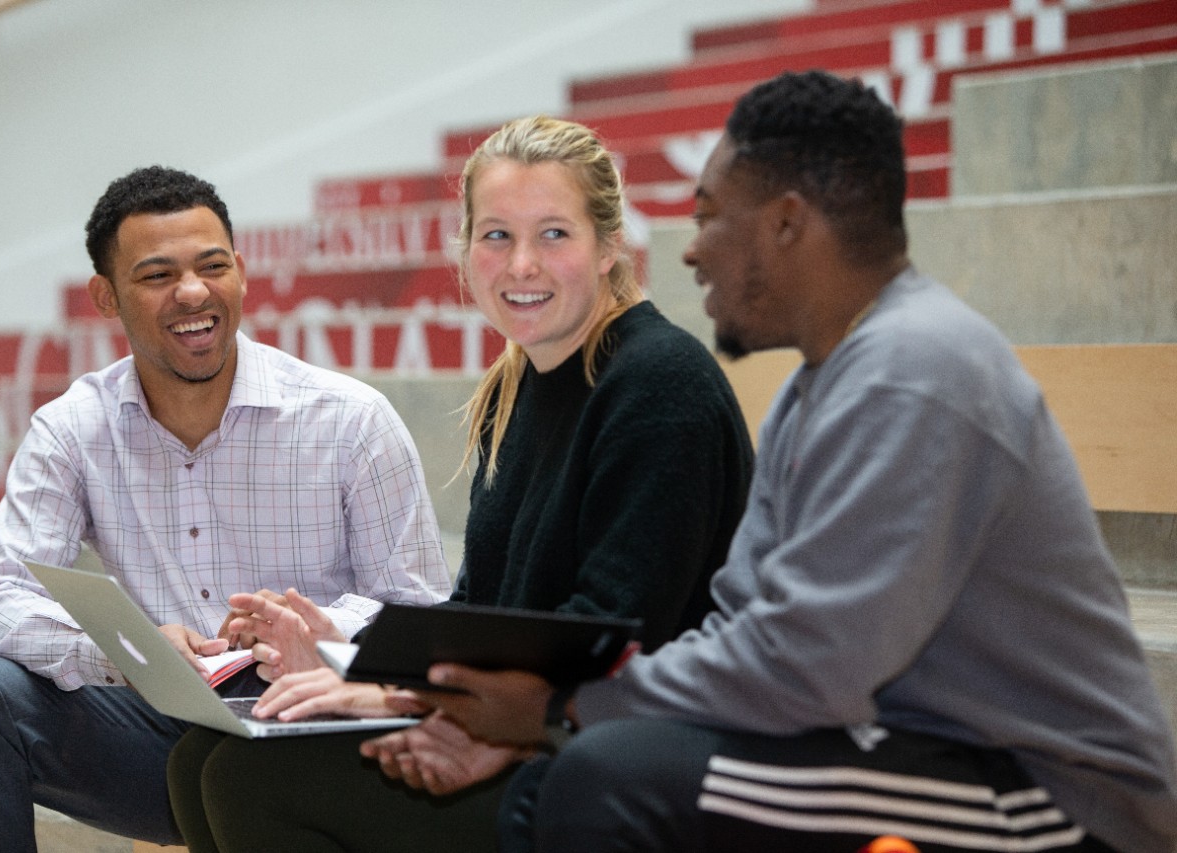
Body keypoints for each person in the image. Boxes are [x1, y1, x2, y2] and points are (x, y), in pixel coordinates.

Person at [383, 71, 1177, 853]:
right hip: (895, 739)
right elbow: (742, 620)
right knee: (570, 777)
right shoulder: (816, 387)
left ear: (786, 225)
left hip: (1051, 790)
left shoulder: (912, 370)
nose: (692, 252)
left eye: (711, 218)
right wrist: (545, 716)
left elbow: (813, 666)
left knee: (600, 779)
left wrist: (561, 707)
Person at [165, 115, 756, 853]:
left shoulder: (659, 384)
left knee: (250, 778)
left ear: (610, 246)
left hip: (618, 756)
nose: (521, 265)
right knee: (197, 758)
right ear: (467, 250)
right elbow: (482, 609)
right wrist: (347, 648)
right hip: (528, 722)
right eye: (497, 235)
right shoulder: (519, 385)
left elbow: (610, 636)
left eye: (554, 234)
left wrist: (392, 695)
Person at [0, 165, 452, 852]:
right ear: (106, 297)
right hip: (158, 727)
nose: (193, 291)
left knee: (238, 770)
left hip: (314, 727)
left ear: (242, 274)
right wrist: (128, 651)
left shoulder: (351, 419)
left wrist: (318, 631)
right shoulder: (73, 428)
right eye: (158, 274)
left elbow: (421, 612)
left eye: (212, 266)